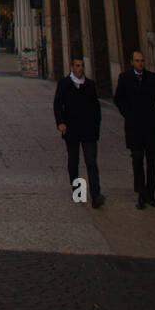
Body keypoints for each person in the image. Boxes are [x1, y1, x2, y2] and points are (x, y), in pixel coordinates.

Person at [114, 50, 155, 209]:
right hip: (134, 126)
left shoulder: (153, 78)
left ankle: (150, 193)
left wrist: (154, 115)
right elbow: (118, 99)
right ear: (132, 62)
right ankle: (141, 192)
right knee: (137, 158)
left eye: (142, 61)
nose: (140, 64)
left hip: (150, 126)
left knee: (152, 160)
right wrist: (128, 114)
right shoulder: (125, 78)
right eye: (137, 61)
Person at [53, 55, 105, 208]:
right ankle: (78, 191)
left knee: (91, 162)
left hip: (89, 130)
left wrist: (96, 128)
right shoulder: (64, 84)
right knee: (74, 161)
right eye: (77, 65)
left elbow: (96, 109)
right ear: (71, 67)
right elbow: (57, 105)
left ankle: (96, 195)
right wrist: (61, 123)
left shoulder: (89, 85)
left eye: (82, 65)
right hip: (72, 129)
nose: (80, 68)